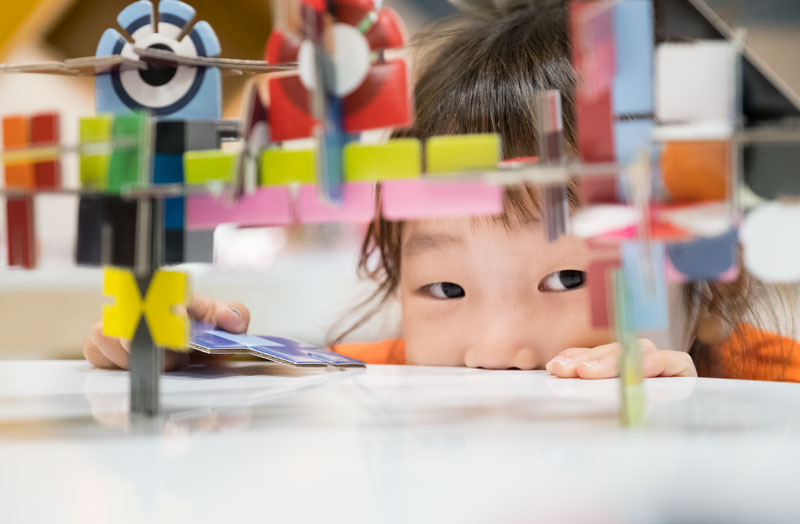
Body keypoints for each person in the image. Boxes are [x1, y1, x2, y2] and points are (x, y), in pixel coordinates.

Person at [84, 1, 798, 381]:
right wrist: (189, 360)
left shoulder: (772, 387)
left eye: (572, 276)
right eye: (446, 291)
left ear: (715, 292)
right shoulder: (380, 379)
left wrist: (698, 415)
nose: (496, 350)